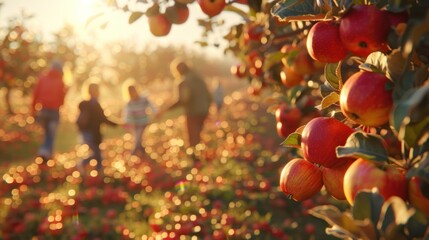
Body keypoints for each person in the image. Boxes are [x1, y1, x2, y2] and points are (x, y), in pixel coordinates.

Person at [157, 59, 212, 149]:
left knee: (192, 138)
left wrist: (166, 109)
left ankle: (195, 158)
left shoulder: (183, 82)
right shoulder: (198, 78)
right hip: (204, 110)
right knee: (198, 134)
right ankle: (200, 154)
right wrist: (208, 107)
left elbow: (182, 100)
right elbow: (208, 94)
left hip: (193, 112)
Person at [76, 82, 119, 172]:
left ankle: (98, 171)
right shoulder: (95, 104)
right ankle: (85, 165)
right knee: (97, 153)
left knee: (97, 152)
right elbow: (103, 119)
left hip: (85, 132)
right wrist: (117, 124)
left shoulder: (84, 104)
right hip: (93, 133)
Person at [31, 59, 67, 161]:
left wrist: (33, 110)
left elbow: (35, 95)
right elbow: (62, 100)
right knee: (51, 134)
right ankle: (45, 153)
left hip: (43, 111)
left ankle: (47, 155)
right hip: (54, 112)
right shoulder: (60, 81)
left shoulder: (42, 78)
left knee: (47, 133)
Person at [123, 84, 157, 155]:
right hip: (135, 123)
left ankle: (134, 151)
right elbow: (127, 113)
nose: (133, 93)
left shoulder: (143, 99)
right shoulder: (130, 103)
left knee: (138, 136)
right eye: (131, 92)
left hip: (143, 121)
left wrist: (155, 112)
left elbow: (151, 106)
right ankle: (141, 150)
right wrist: (126, 122)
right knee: (137, 136)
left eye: (134, 91)